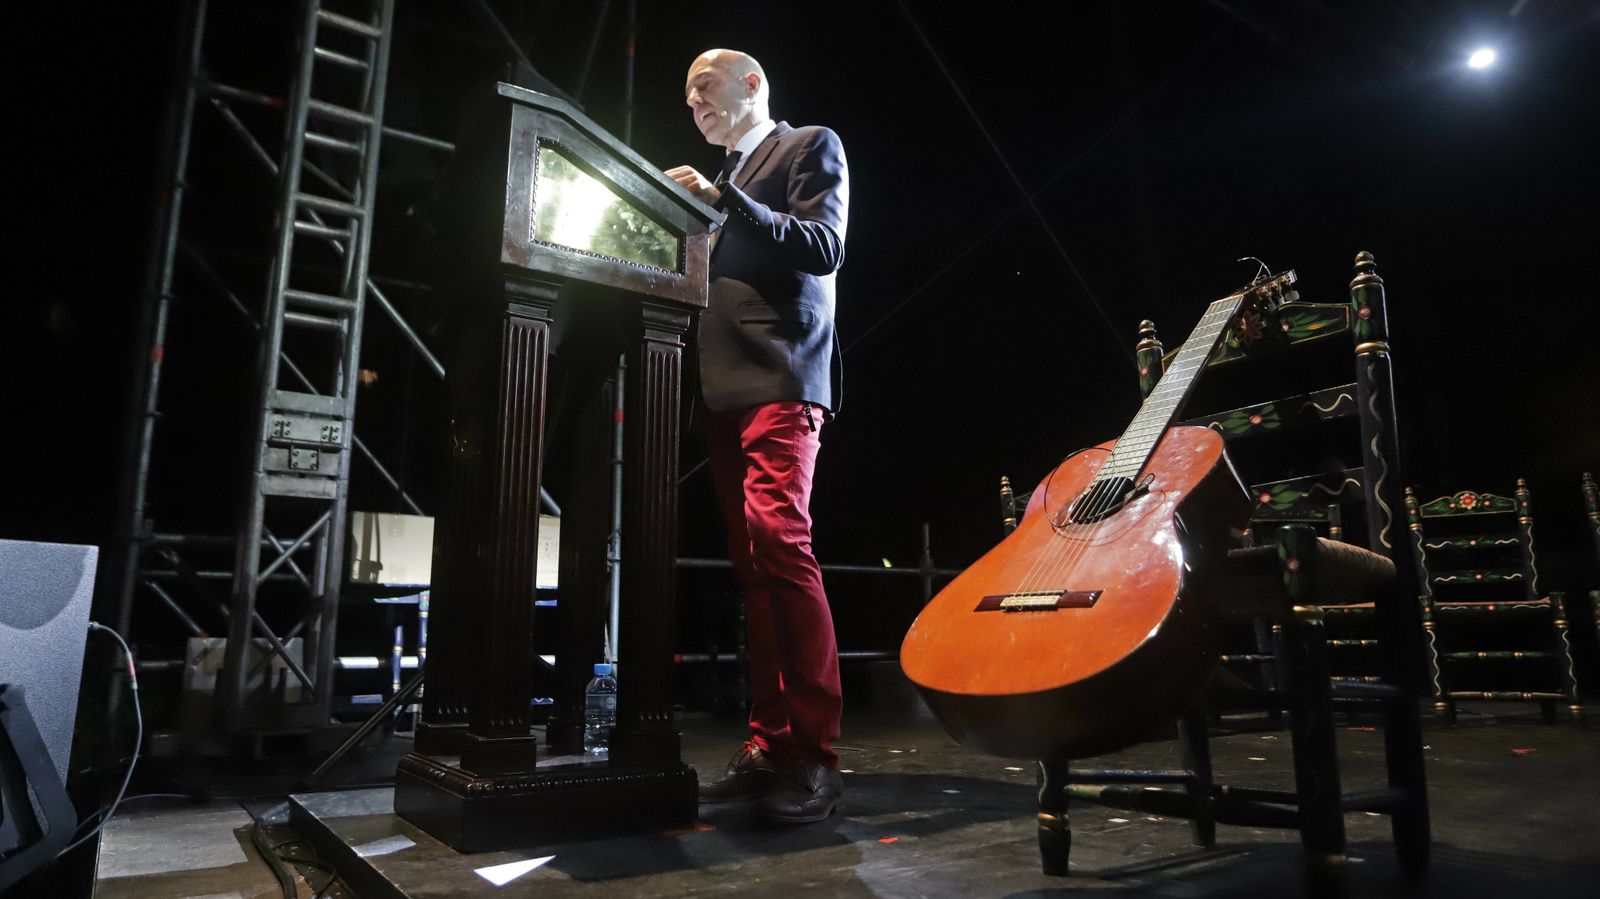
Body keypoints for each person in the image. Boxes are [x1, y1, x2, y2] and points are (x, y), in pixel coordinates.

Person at [666, 48, 849, 825]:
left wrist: (724, 199)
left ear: (751, 84)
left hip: (779, 371)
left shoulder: (806, 145)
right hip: (718, 386)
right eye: (686, 97)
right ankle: (769, 742)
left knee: (780, 542)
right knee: (753, 567)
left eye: (704, 86)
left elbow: (823, 247)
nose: (694, 102)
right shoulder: (719, 180)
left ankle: (813, 753)